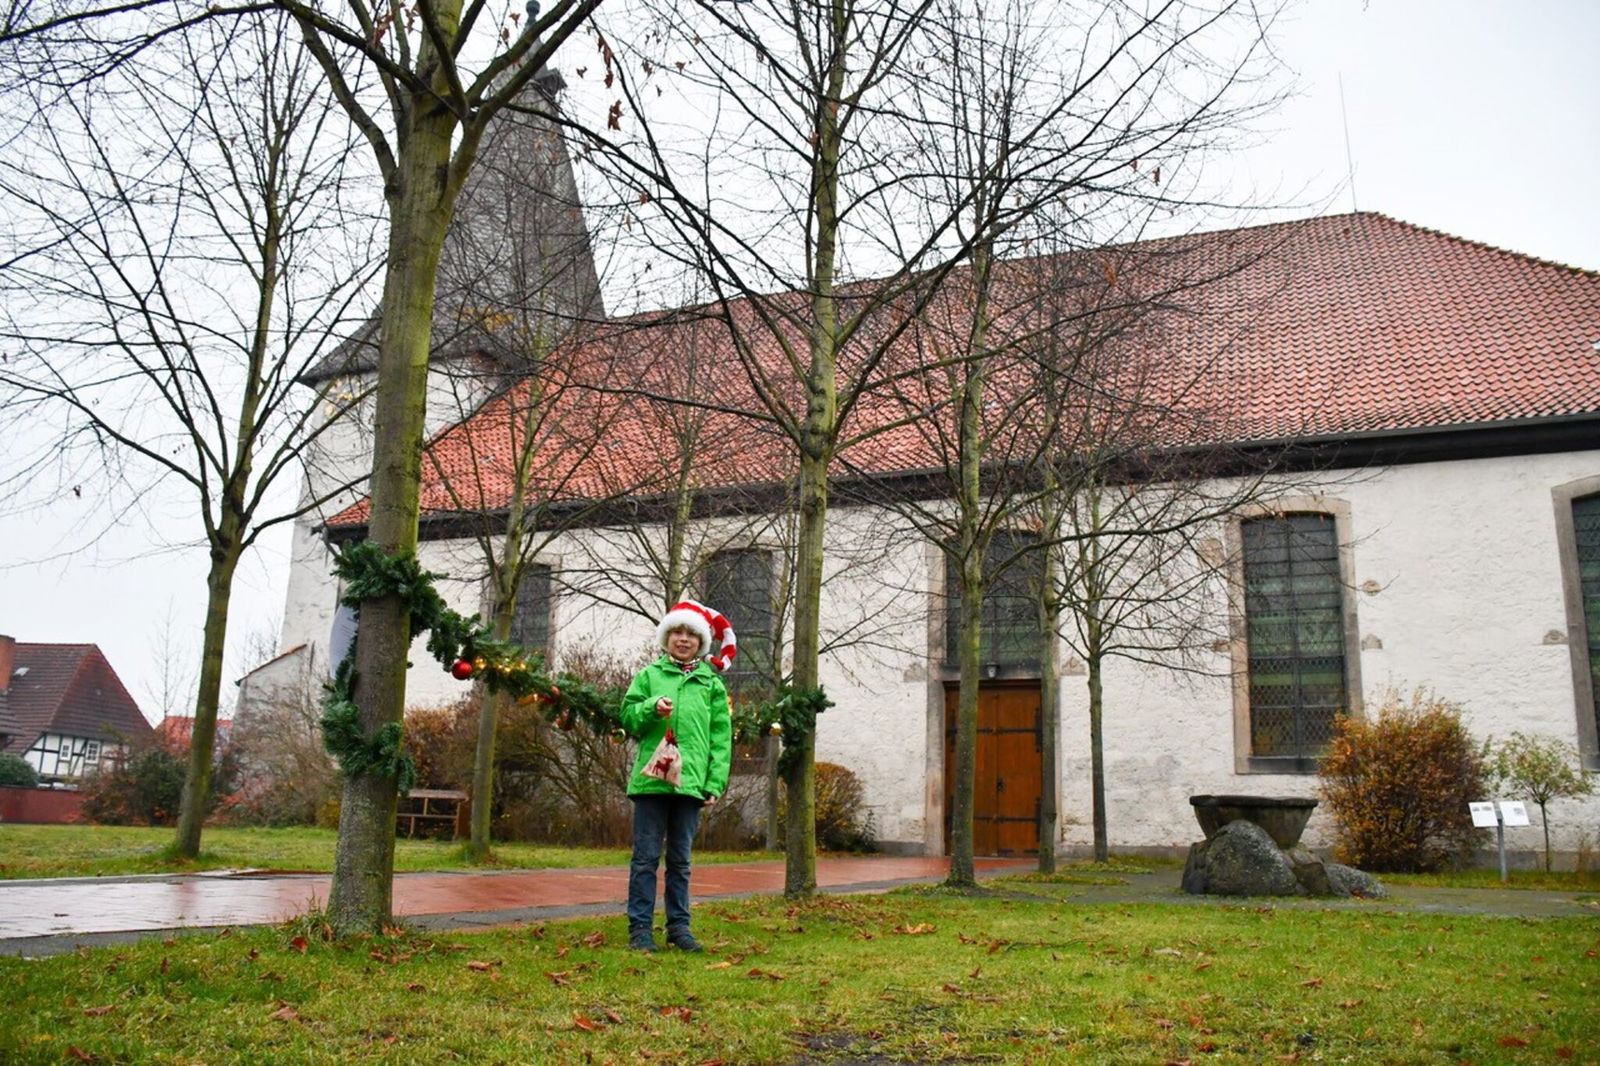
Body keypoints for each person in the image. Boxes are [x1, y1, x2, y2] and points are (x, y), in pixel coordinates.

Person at [618, 603, 733, 952]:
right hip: (652, 781)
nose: (683, 639)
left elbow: (720, 737)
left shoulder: (711, 684)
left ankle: (679, 928)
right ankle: (640, 929)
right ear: (667, 638)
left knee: (681, 861)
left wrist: (713, 783)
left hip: (691, 784)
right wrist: (650, 708)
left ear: (701, 642)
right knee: (645, 858)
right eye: (677, 633)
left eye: (691, 635)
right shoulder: (649, 675)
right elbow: (628, 717)